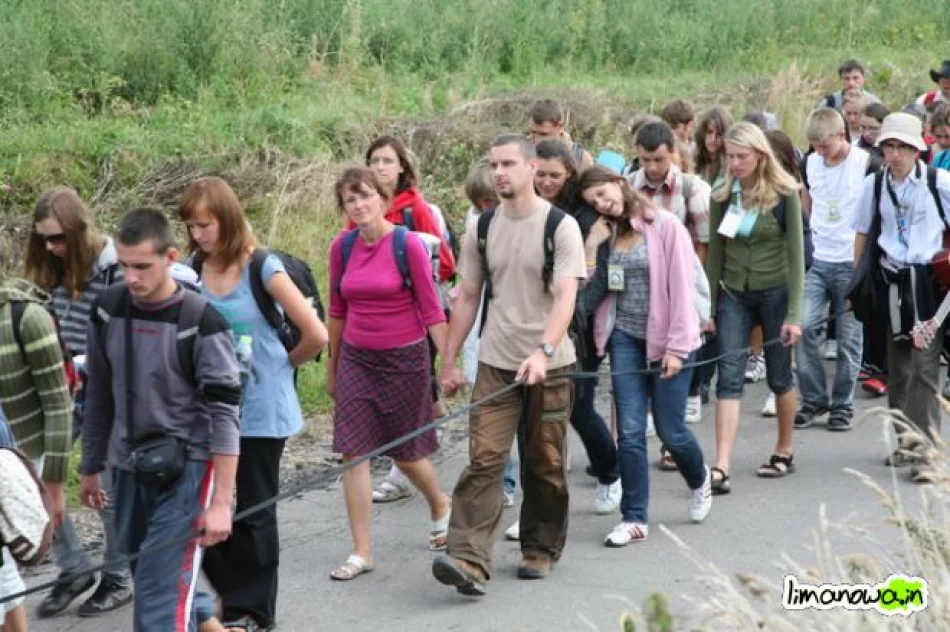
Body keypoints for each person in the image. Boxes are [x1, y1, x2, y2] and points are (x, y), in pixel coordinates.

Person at [433, 133, 585, 594]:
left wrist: (543, 352)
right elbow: (467, 297)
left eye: (507, 164)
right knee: (485, 459)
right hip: (496, 362)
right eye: (493, 164)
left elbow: (566, 296)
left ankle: (540, 547)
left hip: (550, 365)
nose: (498, 172)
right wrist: (449, 361)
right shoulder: (482, 228)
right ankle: (467, 558)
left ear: (532, 168)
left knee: (545, 461)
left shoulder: (560, 226)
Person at [79, 207, 243, 631]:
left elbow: (226, 415)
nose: (131, 278)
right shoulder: (107, 309)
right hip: (127, 466)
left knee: (157, 597)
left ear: (170, 257)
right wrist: (91, 465)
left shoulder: (202, 322)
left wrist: (222, 502)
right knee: (154, 574)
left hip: (188, 470)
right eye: (123, 266)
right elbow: (98, 394)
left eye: (142, 266)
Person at [179, 177, 327, 631]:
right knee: (206, 507)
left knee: (254, 511)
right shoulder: (192, 268)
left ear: (226, 219)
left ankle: (254, 612)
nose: (198, 234)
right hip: (210, 411)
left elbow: (316, 334)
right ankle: (229, 597)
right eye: (191, 226)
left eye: (205, 225)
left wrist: (280, 366)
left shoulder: (263, 267)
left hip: (262, 411)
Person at [326, 166, 452, 580]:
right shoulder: (342, 248)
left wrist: (449, 365)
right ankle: (362, 551)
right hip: (357, 360)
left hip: (404, 360)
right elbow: (337, 311)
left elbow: (431, 310)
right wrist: (333, 368)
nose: (359, 205)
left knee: (405, 451)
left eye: (365, 196)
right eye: (350, 199)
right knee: (354, 452)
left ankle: (440, 502)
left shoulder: (407, 244)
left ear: (383, 199)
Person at [578, 166, 712, 545]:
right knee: (631, 431)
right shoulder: (607, 233)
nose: (602, 204)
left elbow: (683, 290)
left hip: (669, 339)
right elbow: (591, 288)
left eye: (603, 194)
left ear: (620, 184)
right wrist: (591, 246)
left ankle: (699, 477)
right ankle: (634, 517)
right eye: (593, 202)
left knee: (671, 431)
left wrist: (677, 348)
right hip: (624, 338)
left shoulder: (664, 226)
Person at [20, 186, 133, 618]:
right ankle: (74, 568)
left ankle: (117, 576)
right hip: (59, 390)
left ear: (78, 229)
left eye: (58, 237)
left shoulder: (114, 267)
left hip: (105, 389)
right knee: (34, 478)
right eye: (44, 238)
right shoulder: (49, 271)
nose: (51, 246)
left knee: (103, 487)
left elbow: (126, 330)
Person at [705, 122, 805, 495]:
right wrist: (708, 307)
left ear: (760, 155)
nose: (734, 163)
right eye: (730, 156)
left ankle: (784, 449)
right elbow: (715, 256)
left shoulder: (785, 193)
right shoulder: (722, 194)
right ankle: (721, 465)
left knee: (779, 376)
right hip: (734, 294)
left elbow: (796, 257)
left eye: (741, 156)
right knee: (728, 376)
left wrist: (794, 315)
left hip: (775, 292)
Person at [853, 112, 950, 484]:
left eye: (902, 147)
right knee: (898, 369)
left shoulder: (938, 182)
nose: (894, 154)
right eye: (889, 146)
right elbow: (862, 231)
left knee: (925, 368)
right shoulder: (874, 185)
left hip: (929, 283)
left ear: (917, 149)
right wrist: (857, 281)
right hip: (891, 281)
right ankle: (907, 441)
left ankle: (928, 453)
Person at [360, 135, 456, 505]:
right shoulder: (361, 207)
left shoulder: (415, 208)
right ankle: (433, 426)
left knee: (406, 393)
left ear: (402, 167)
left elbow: (444, 263)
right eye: (374, 160)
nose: (380, 167)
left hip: (416, 317)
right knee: (415, 390)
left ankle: (401, 475)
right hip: (374, 319)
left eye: (387, 160)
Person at [533, 139, 621, 516]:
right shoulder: (525, 209)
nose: (547, 182)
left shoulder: (586, 216)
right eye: (540, 174)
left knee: (578, 407)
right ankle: (541, 498)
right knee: (535, 413)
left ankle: (610, 471)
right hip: (534, 321)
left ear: (569, 173)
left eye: (555, 175)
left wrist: (571, 312)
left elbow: (599, 277)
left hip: (579, 326)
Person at [0, 277, 74, 631]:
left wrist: (54, 487)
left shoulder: (25, 317)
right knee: (6, 576)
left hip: (24, 459)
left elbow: (59, 404)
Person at [795, 109, 876, 432]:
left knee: (848, 339)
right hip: (819, 259)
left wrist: (865, 260)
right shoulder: (810, 162)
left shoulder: (866, 164)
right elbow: (806, 200)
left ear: (842, 136)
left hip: (850, 262)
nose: (820, 152)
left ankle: (842, 405)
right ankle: (814, 399)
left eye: (825, 146)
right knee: (803, 326)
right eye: (815, 146)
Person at [628, 121, 711, 433]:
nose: (652, 167)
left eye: (659, 160)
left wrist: (689, 291)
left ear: (673, 153)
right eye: (645, 160)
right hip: (640, 290)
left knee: (677, 358)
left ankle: (678, 421)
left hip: (680, 285)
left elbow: (703, 244)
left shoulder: (692, 189)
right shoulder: (628, 186)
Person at [528, 99, 594, 170]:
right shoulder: (523, 152)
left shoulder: (581, 159)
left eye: (544, 134)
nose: (537, 140)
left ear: (561, 127)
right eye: (533, 132)